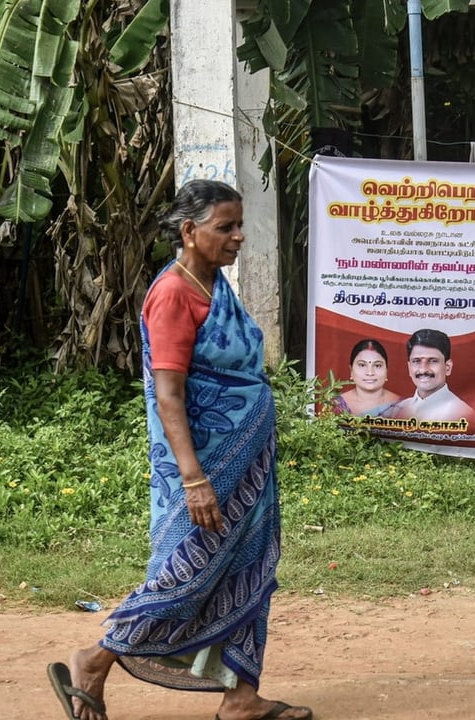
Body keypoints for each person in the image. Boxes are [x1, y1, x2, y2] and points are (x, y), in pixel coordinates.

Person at [47, 180, 313, 720]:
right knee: (186, 575)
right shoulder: (173, 293)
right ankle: (95, 660)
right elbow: (168, 396)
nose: (238, 236)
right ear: (189, 231)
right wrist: (194, 479)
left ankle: (240, 698)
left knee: (247, 573)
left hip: (248, 471)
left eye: (239, 225)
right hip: (203, 471)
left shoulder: (214, 283)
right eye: (225, 227)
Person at [392, 328, 475, 423]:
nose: (423, 369)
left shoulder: (462, 414)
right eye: (417, 361)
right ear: (409, 367)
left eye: (433, 361)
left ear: (447, 367)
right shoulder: (399, 409)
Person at [332, 339, 401, 416]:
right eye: (362, 365)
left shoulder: (402, 405)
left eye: (377, 365)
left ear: (386, 370)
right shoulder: (337, 405)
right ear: (351, 370)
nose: (370, 373)